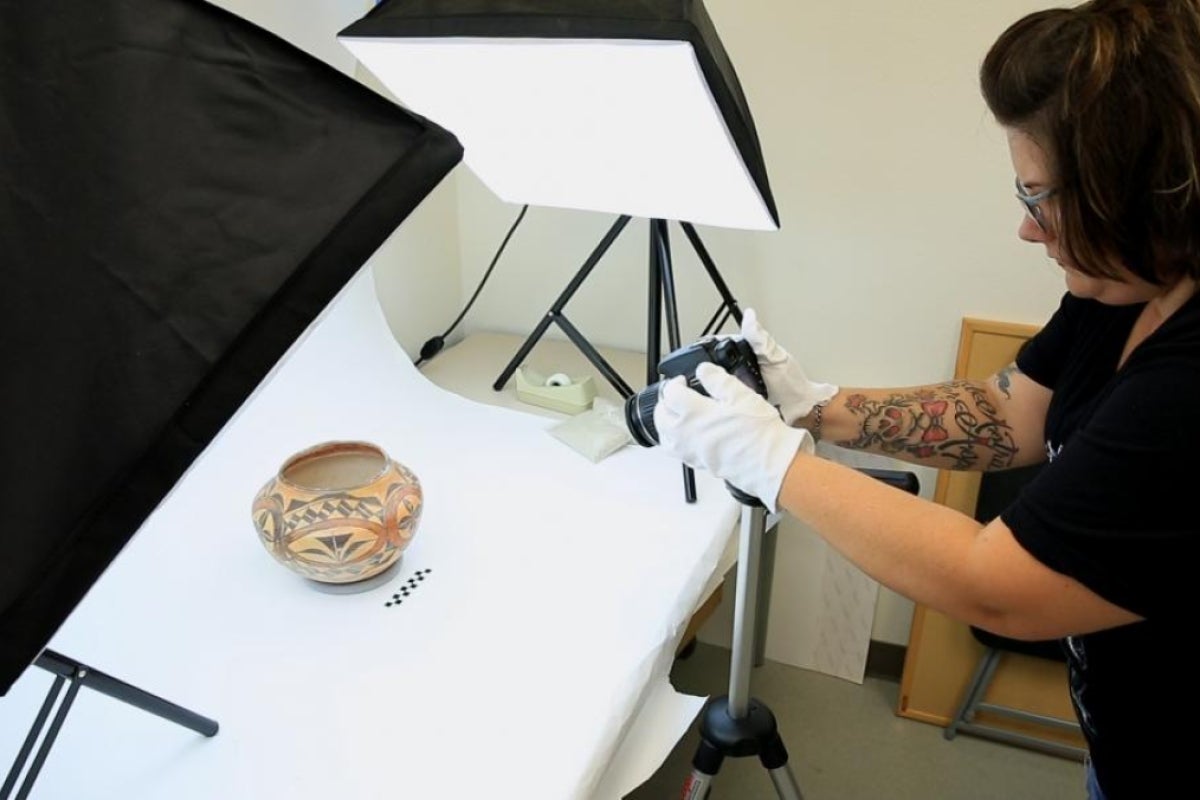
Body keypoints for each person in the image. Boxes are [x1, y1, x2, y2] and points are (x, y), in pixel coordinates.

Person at [652, 1, 1200, 797]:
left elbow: (993, 588)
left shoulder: (1184, 386)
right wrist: (815, 407)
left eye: (1038, 196)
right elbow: (1011, 416)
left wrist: (775, 462)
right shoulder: (1122, 283)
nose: (1029, 231)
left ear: (1135, 191)